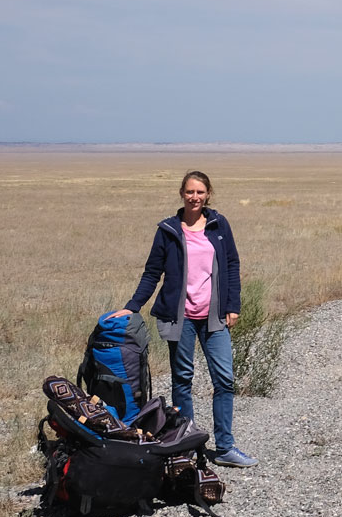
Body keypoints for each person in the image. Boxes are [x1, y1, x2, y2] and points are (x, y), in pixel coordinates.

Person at [110, 169, 257, 467]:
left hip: (214, 316)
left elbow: (231, 266)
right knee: (183, 381)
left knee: (225, 380)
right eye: (190, 192)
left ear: (208, 195)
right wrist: (133, 306)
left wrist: (233, 306)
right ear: (182, 194)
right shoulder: (168, 230)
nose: (195, 197)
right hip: (182, 318)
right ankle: (185, 446)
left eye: (200, 192)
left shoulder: (218, 225)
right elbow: (153, 272)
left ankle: (225, 447)